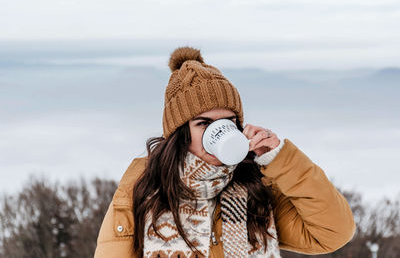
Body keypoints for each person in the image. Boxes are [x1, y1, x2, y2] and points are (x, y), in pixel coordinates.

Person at [94, 47, 355, 258]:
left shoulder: (256, 184)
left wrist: (281, 160)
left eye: (228, 122)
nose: (217, 132)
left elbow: (333, 232)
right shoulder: (143, 186)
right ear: (180, 133)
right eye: (204, 123)